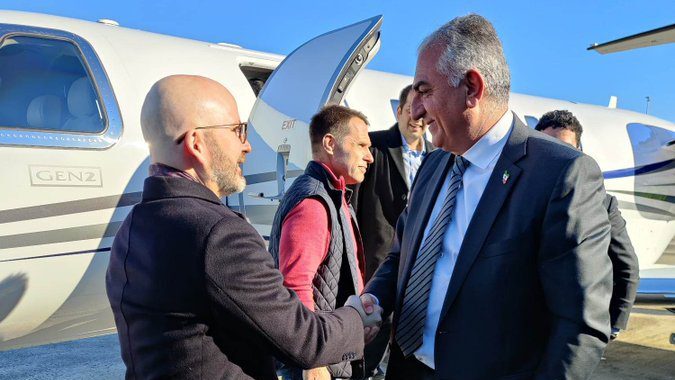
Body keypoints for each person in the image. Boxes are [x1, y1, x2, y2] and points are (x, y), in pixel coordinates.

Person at [360, 14, 613, 379]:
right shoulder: (432, 167)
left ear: (472, 88)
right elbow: (402, 258)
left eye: (425, 90)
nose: (415, 110)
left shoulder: (561, 174)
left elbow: (579, 325)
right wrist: (372, 301)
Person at [106, 75, 379, 379]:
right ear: (197, 143)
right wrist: (356, 317)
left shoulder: (134, 224)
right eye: (238, 131)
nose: (246, 146)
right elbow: (303, 339)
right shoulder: (219, 234)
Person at [268, 105, 374, 380]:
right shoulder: (313, 202)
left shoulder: (333, 195)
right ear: (330, 143)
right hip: (320, 363)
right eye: (361, 145)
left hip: (332, 351)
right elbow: (294, 285)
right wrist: (312, 364)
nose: (369, 156)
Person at [535, 109, 640, 339]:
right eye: (548, 148)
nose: (556, 159)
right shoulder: (516, 194)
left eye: (566, 150)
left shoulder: (603, 203)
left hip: (568, 329)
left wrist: (613, 325)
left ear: (579, 153)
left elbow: (626, 266)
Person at [352, 84, 432, 377]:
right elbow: (354, 205)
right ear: (399, 111)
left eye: (424, 112)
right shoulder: (374, 147)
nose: (418, 118)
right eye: (411, 109)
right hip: (376, 268)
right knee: (365, 354)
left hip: (418, 274)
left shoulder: (438, 157)